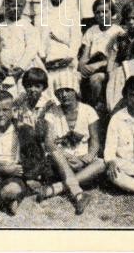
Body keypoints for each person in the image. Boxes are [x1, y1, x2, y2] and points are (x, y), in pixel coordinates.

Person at [0, 91, 48, 215]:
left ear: (13, 110)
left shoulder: (23, 130)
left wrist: (23, 172)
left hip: (13, 175)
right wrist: (1, 168)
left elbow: (35, 159)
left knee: (11, 189)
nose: (1, 114)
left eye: (5, 110)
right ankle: (6, 201)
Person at [36, 79, 105, 214]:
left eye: (68, 90)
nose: (64, 94)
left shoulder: (88, 110)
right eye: (60, 91)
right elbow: (49, 142)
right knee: (54, 152)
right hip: (60, 161)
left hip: (83, 162)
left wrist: (86, 159)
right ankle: (78, 193)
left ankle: (58, 187)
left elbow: (95, 141)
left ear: (75, 91)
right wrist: (67, 157)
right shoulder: (52, 113)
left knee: (102, 163)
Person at [0, 0, 44, 98]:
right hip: (6, 70)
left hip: (24, 70)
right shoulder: (1, 26)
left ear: (24, 7)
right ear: (5, 6)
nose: (15, 9)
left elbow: (32, 48)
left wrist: (21, 67)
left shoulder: (26, 25)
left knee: (23, 93)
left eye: (19, 6)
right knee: (9, 94)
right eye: (12, 5)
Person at [39, 0, 82, 103]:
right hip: (47, 60)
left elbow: (76, 37)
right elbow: (39, 36)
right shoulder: (42, 11)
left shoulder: (72, 11)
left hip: (66, 59)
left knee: (66, 87)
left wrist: (70, 56)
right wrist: (43, 56)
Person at [78, 0, 123, 111]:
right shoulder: (91, 30)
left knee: (96, 79)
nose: (101, 15)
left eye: (105, 11)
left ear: (112, 13)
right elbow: (85, 54)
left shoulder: (118, 31)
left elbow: (118, 58)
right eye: (98, 12)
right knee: (76, 76)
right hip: (93, 64)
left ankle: (97, 107)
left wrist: (99, 65)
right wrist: (82, 65)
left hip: (110, 67)